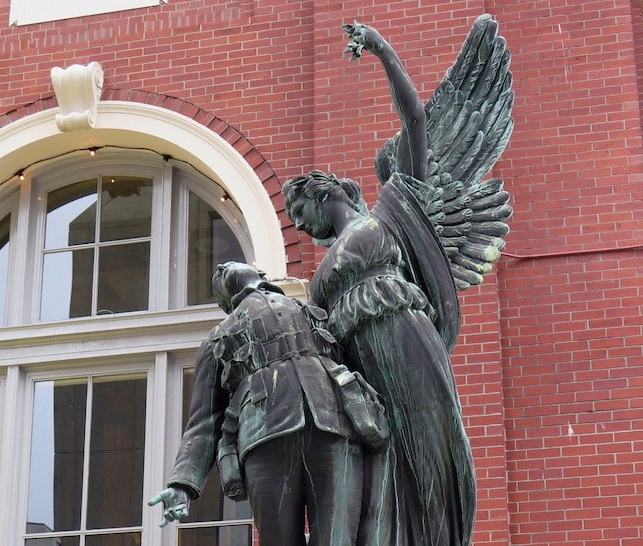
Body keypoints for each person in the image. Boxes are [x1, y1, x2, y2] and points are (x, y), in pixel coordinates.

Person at [283, 23, 476, 546]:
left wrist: (381, 49)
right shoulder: (321, 275)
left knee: (433, 449)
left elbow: (416, 120)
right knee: (383, 481)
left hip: (408, 341)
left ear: (325, 193)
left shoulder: (390, 212)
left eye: (301, 212)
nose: (302, 227)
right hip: (364, 373)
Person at [149, 261, 388, 546]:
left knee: (339, 539)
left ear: (260, 273)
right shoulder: (217, 339)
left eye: (227, 267)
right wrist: (182, 483)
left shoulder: (312, 312)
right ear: (225, 302)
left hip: (334, 424)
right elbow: (203, 422)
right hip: (264, 439)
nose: (221, 266)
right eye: (218, 275)